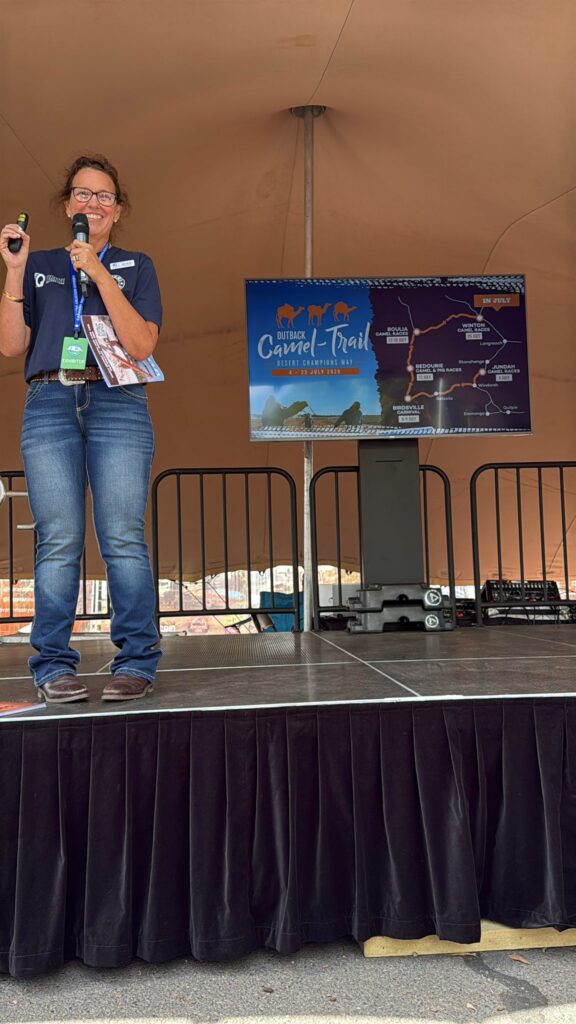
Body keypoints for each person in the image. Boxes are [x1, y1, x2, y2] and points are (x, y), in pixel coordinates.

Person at [0, 154, 163, 703]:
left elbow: (141, 345)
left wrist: (95, 270)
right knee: (59, 538)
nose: (92, 204)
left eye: (103, 196)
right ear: (67, 203)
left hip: (118, 399)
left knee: (121, 536)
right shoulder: (40, 261)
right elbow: (11, 346)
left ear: (117, 211)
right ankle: (52, 665)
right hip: (50, 399)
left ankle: (136, 660)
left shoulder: (136, 265)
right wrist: (16, 272)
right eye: (82, 194)